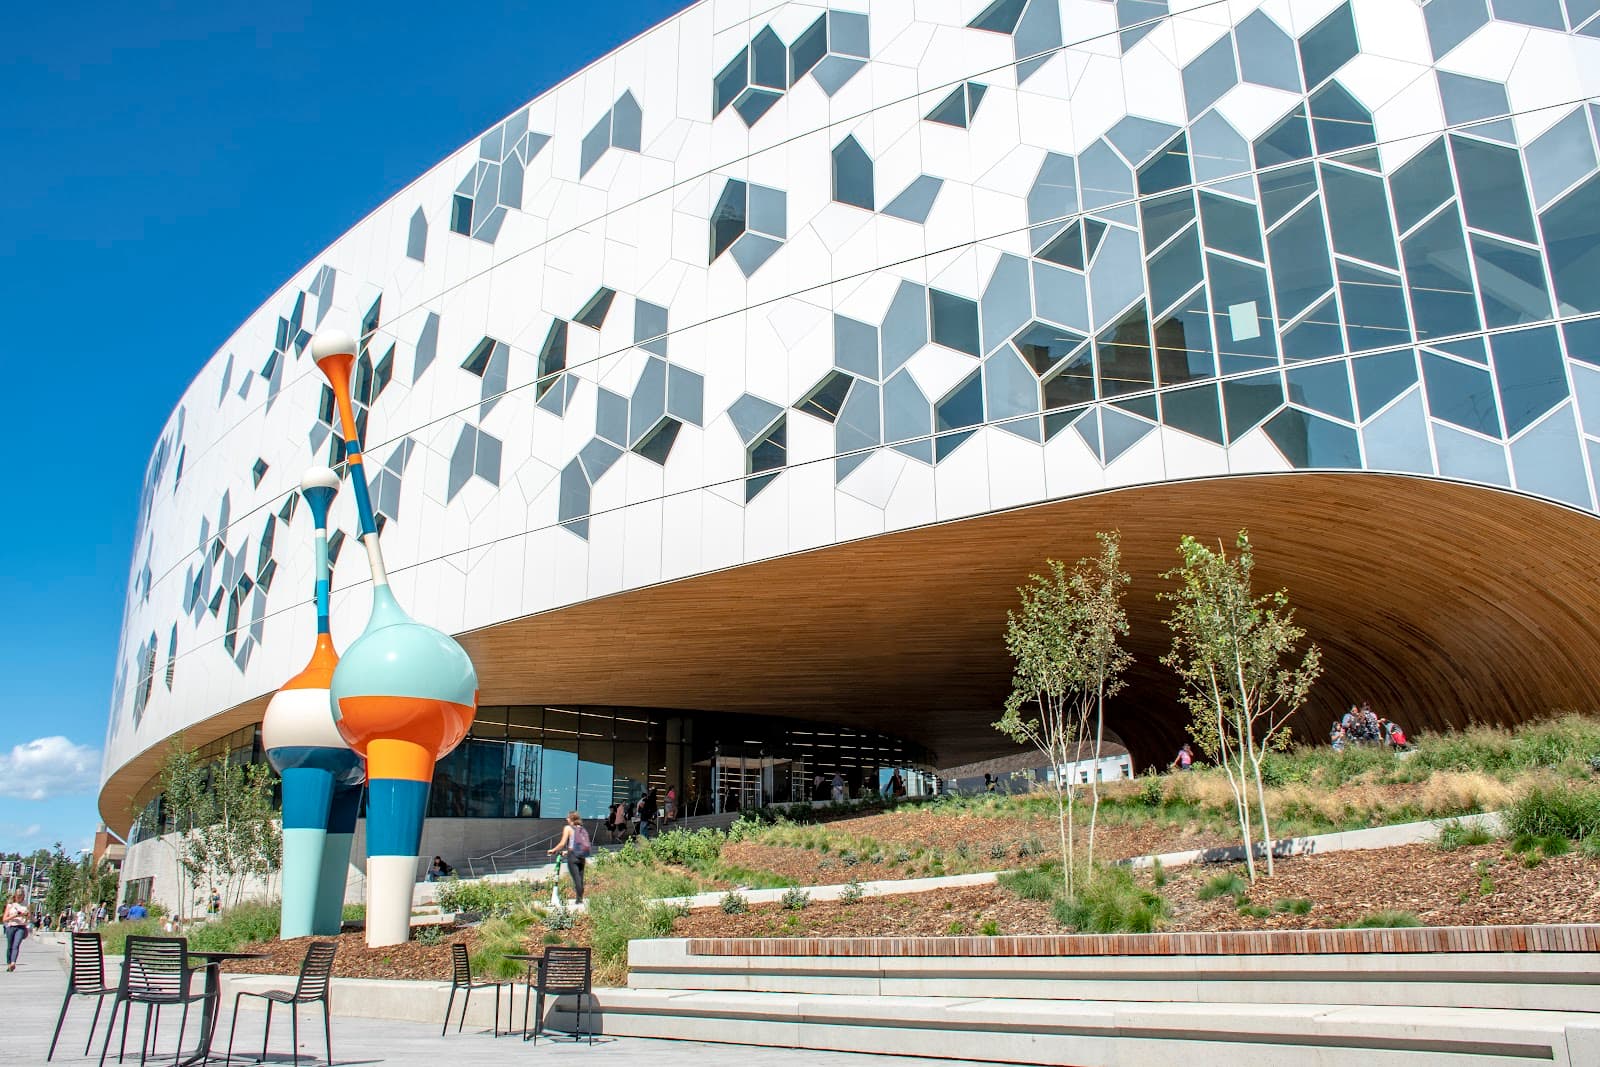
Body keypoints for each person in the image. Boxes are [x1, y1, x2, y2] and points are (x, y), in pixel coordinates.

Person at [547, 811, 592, 905]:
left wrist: (553, 850)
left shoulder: (568, 828)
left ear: (571, 819)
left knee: (576, 877)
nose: (566, 819)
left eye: (567, 817)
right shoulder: (582, 829)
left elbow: (562, 843)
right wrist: (566, 852)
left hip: (573, 856)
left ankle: (579, 900)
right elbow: (578, 844)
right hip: (582, 856)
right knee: (580, 877)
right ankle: (579, 899)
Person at [3, 891, 29, 971]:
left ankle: (13, 963)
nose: (19, 898)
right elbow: (4, 919)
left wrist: (26, 916)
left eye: (21, 897)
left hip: (21, 927)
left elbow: (29, 917)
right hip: (11, 927)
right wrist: (15, 915)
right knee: (10, 946)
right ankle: (9, 964)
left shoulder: (26, 905)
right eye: (18, 897)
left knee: (16, 945)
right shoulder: (10, 905)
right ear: (15, 896)